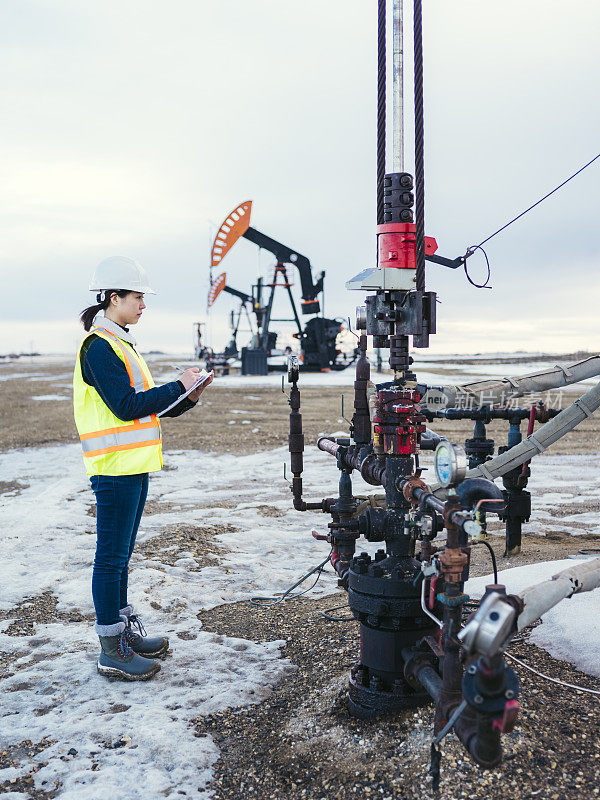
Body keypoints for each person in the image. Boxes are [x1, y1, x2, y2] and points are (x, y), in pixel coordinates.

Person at [73, 256, 213, 681]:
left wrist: (187, 396)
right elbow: (127, 406)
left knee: (121, 558)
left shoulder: (121, 343)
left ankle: (122, 635)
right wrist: (178, 386)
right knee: (110, 559)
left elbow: (144, 407)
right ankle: (111, 649)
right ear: (113, 299)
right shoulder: (99, 347)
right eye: (137, 297)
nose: (142, 305)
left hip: (131, 466)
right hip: (114, 469)